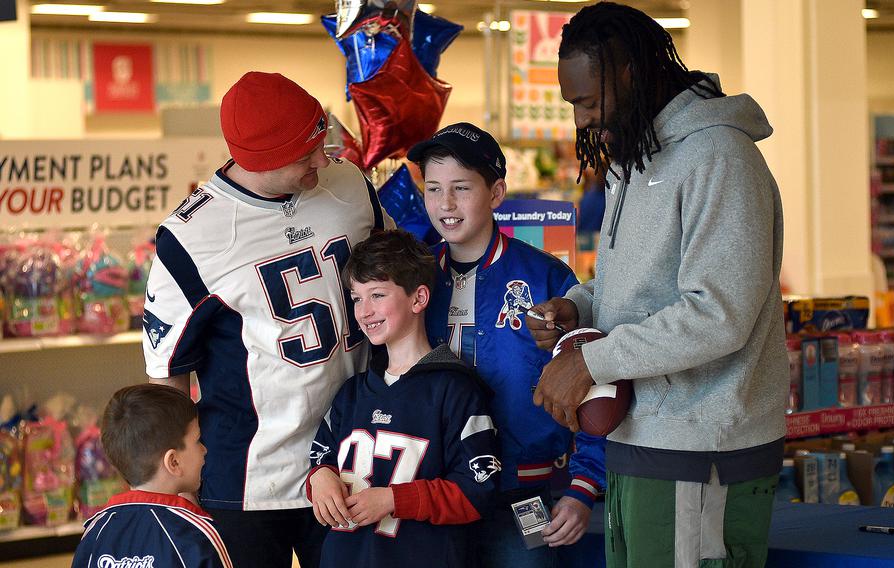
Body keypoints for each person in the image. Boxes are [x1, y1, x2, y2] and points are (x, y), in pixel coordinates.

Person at [527, 3, 788, 567]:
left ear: (630, 73)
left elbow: (719, 312)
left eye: (588, 102)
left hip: (702, 447)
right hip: (640, 437)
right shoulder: (636, 158)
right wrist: (579, 307)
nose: (580, 121)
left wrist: (592, 364)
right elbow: (634, 287)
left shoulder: (720, 157)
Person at [141, 71, 393, 567]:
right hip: (247, 480)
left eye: (321, 143)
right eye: (306, 156)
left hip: (351, 456)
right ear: (260, 161)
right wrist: (175, 487)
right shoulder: (191, 238)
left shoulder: (350, 186)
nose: (323, 159)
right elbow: (164, 373)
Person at [407, 122, 606, 567]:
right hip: (435, 491)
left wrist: (583, 487)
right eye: (434, 189)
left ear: (496, 193)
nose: (446, 204)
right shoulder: (416, 280)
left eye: (461, 188)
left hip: (524, 493)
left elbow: (592, 386)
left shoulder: (547, 280)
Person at [305, 229, 498, 568]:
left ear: (418, 298)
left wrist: (395, 499)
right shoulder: (351, 393)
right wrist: (319, 478)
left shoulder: (455, 390)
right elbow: (321, 458)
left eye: (377, 295)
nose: (364, 311)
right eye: (356, 298)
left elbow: (477, 490)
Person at [73, 384, 233, 568]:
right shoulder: (197, 533)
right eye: (198, 440)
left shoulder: (95, 531)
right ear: (173, 462)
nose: (204, 449)